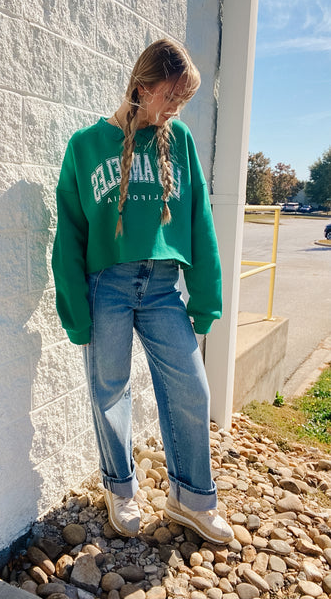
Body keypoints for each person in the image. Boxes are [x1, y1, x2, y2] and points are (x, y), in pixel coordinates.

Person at [52, 39, 234, 544]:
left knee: (192, 388)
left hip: (162, 287)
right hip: (105, 286)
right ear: (141, 85)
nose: (176, 109)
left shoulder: (181, 142)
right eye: (170, 96)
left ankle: (190, 498)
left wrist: (205, 299)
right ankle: (121, 489)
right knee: (110, 390)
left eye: (184, 100)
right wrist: (74, 310)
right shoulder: (85, 146)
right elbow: (70, 232)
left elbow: (199, 223)